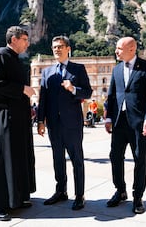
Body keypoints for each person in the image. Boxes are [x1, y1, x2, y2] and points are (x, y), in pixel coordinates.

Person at [0, 26, 36, 221]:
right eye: (25, 39)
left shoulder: (14, 58)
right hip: (4, 117)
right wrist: (23, 89)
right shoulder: (2, 55)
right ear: (14, 39)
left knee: (15, 157)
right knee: (2, 159)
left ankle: (14, 198)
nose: (27, 43)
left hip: (16, 117)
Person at [37, 35, 92, 211]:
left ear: (68, 48)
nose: (57, 50)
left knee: (77, 159)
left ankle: (79, 195)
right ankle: (61, 191)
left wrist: (73, 88)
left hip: (72, 124)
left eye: (60, 46)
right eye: (54, 47)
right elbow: (43, 98)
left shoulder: (78, 69)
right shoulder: (47, 72)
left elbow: (88, 93)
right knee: (57, 158)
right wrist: (40, 120)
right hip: (54, 124)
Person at [104, 36, 146, 214]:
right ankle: (120, 191)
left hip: (139, 123)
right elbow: (111, 95)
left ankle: (138, 197)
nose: (116, 51)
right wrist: (108, 118)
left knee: (140, 158)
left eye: (119, 48)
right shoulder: (116, 69)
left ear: (132, 49)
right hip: (119, 122)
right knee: (115, 156)